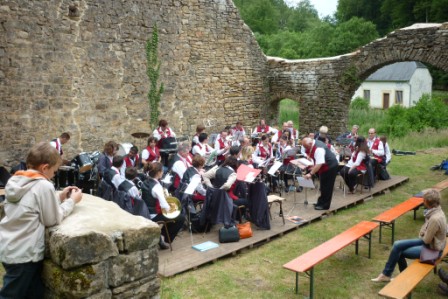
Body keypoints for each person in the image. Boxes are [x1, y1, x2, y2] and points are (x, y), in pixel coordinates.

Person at [0, 142, 82, 298]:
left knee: (34, 293)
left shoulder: (17, 180)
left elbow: (32, 204)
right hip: (24, 255)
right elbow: (52, 219)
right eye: (54, 171)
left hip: (11, 247)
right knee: (11, 295)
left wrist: (59, 197)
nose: (54, 175)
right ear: (45, 168)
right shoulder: (43, 185)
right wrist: (72, 201)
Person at [372, 189, 447, 282]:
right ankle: (386, 274)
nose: (422, 202)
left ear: (427, 202)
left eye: (423, 200)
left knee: (399, 251)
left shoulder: (435, 218)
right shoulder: (436, 211)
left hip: (433, 250)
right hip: (430, 244)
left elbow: (426, 240)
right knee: (397, 245)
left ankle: (398, 277)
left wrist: (422, 233)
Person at [141, 162, 185, 250]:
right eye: (162, 171)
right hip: (153, 215)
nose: (162, 173)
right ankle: (163, 237)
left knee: (175, 216)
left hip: (144, 212)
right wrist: (171, 207)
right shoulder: (157, 187)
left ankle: (162, 235)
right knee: (181, 218)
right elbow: (164, 205)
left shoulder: (145, 182)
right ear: (158, 173)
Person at [301, 137, 339, 210]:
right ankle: (321, 202)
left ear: (310, 143)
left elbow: (319, 164)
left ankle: (325, 205)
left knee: (327, 187)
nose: (306, 149)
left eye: (307, 147)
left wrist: (310, 174)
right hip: (325, 166)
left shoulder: (319, 149)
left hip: (330, 167)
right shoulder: (313, 143)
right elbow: (317, 161)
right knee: (323, 186)